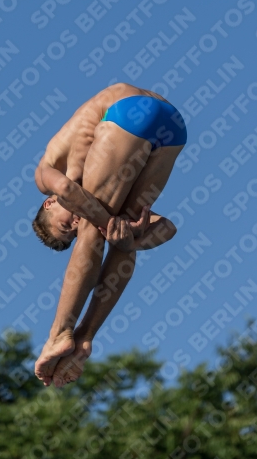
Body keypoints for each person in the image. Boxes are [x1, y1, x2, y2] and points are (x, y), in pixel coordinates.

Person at [32, 83, 187, 387]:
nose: (74, 226)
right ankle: (86, 337)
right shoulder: (90, 193)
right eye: (71, 234)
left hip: (126, 112)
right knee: (126, 233)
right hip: (172, 125)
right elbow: (167, 228)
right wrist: (130, 237)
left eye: (65, 225)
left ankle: (60, 333)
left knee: (100, 227)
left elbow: (65, 189)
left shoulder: (45, 175)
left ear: (48, 204)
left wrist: (102, 222)